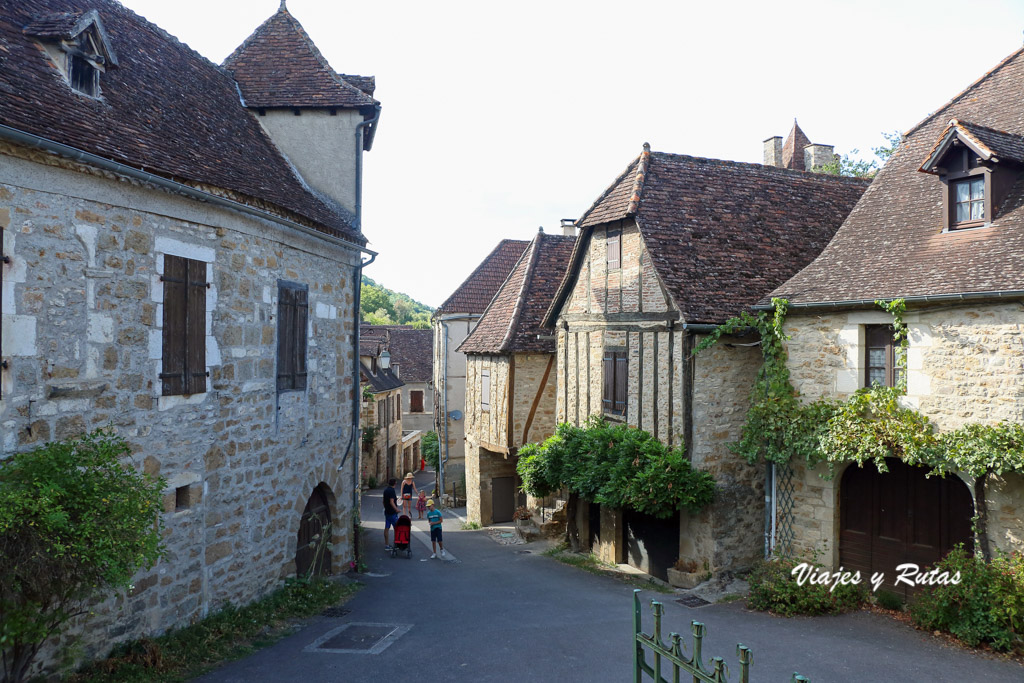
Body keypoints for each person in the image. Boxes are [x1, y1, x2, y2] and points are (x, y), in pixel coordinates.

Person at [382, 478, 400, 550]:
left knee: (387, 528)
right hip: (392, 513)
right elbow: (391, 501)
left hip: (387, 512)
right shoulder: (392, 491)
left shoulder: (385, 490)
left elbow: (383, 501)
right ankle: (396, 544)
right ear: (395, 484)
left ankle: (387, 545)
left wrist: (386, 507)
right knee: (397, 528)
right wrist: (396, 509)